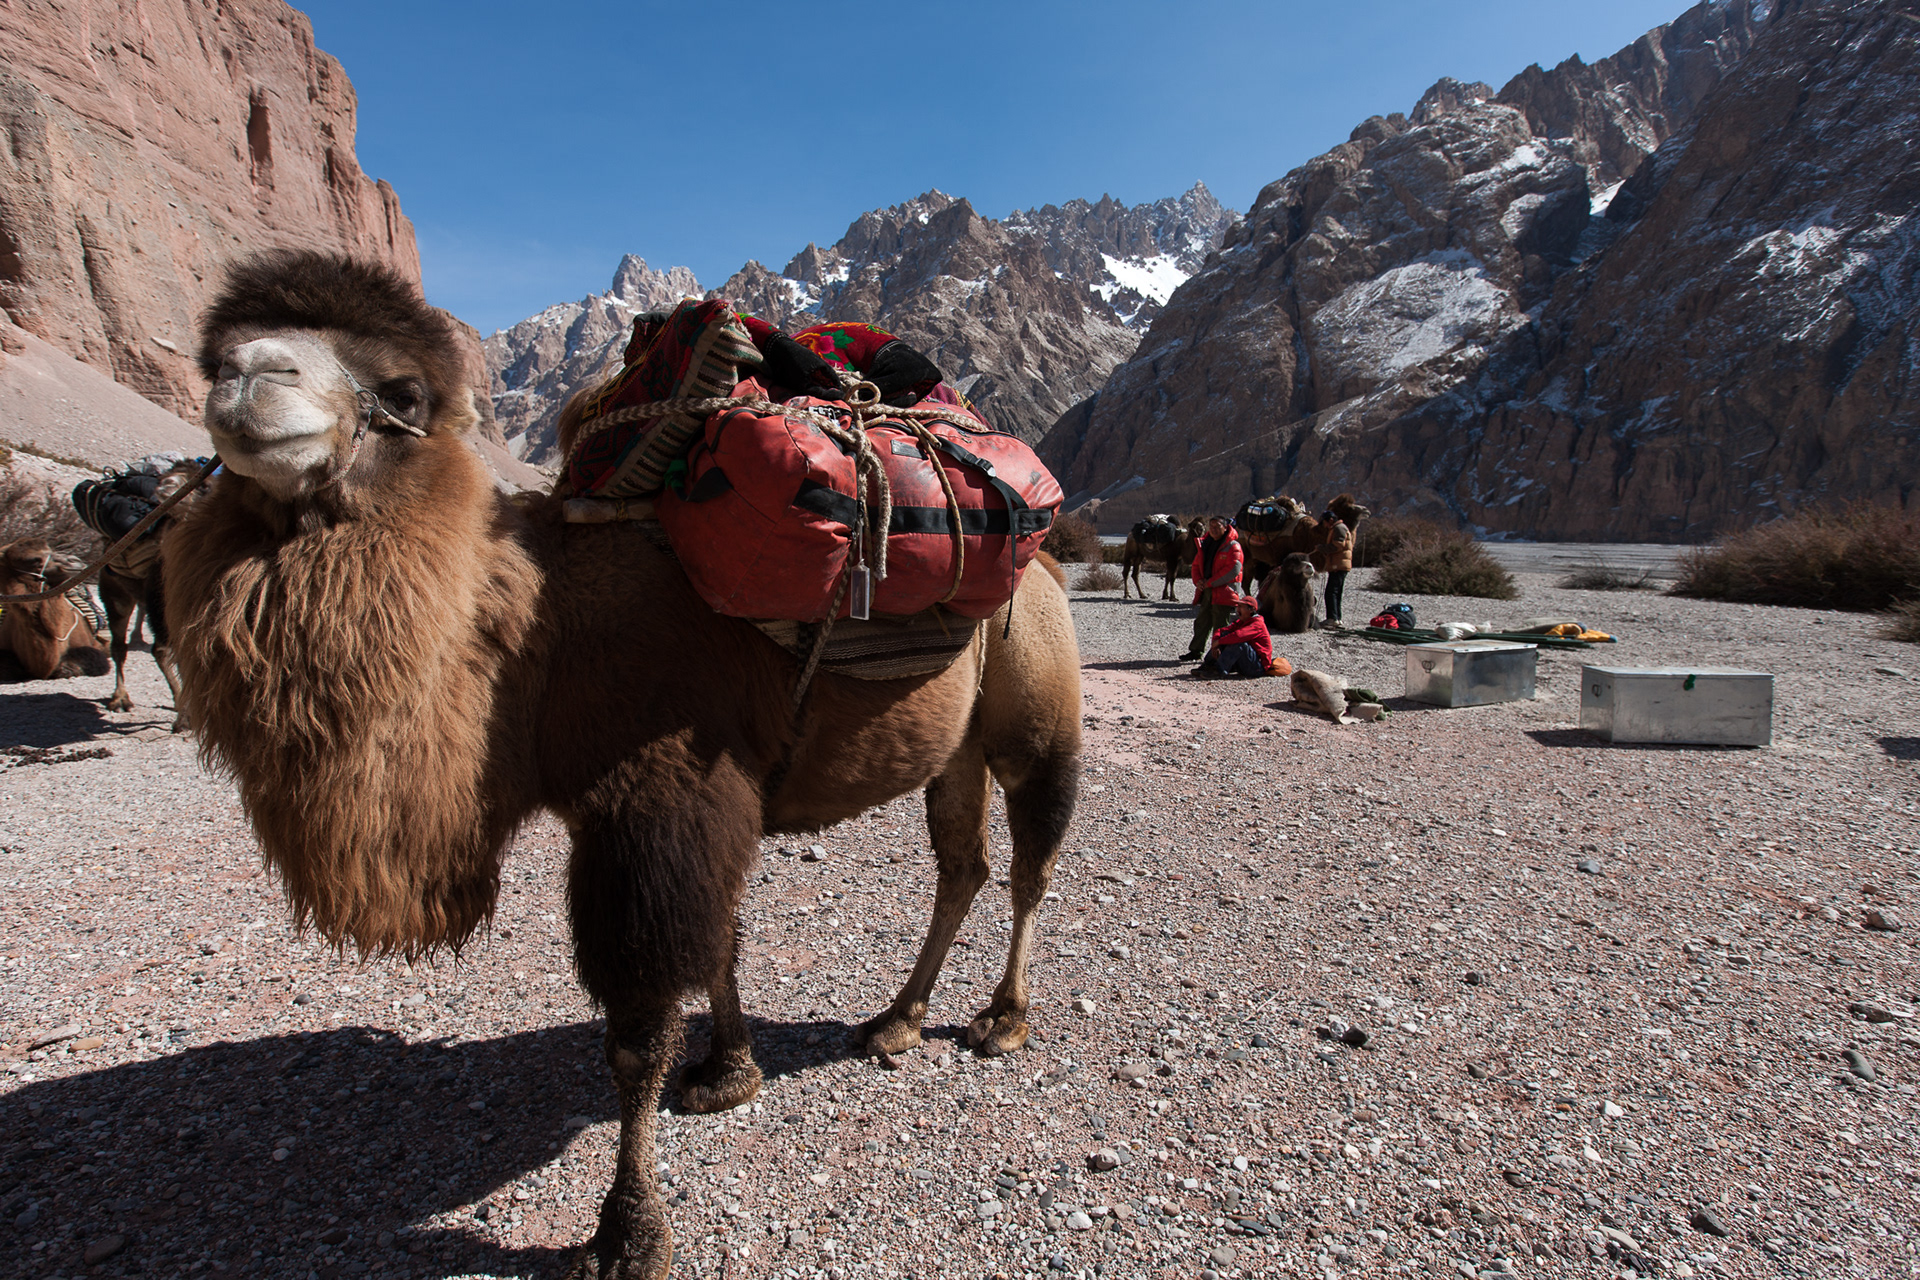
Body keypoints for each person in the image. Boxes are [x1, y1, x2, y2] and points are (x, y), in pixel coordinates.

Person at [1181, 515, 1243, 660]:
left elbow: (1232, 570)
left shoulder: (1233, 546)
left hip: (1224, 591)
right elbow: (1196, 565)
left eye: (1217, 526)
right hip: (1207, 590)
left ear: (1225, 527)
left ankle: (1218, 655)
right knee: (1202, 621)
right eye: (1211, 526)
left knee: (1220, 625)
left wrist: (1209, 582)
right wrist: (1198, 581)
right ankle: (1196, 651)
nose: (1213, 530)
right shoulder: (1205, 544)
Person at [1196, 593, 1271, 678]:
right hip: (1246, 663)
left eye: (1241, 607)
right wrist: (1215, 645)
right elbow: (1220, 631)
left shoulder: (1257, 624)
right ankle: (1208, 665)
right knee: (1225, 635)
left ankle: (1219, 671)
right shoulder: (1242, 622)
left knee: (1239, 643)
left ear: (1251, 610)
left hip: (1257, 668)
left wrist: (1219, 642)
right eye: (1238, 606)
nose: (1237, 609)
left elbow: (1239, 636)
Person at [1311, 506, 1354, 629]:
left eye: (1324, 522)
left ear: (1330, 520)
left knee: (1331, 592)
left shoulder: (1339, 528)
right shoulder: (1339, 528)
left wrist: (1322, 548)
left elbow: (1338, 546)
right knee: (1336, 592)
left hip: (1338, 565)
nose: (1324, 525)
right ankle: (1337, 618)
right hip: (1339, 564)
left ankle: (1332, 618)